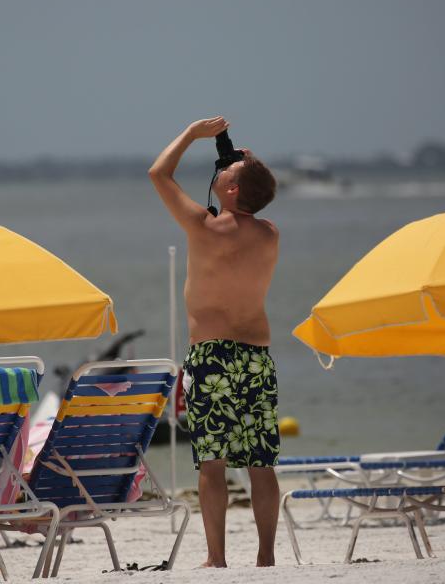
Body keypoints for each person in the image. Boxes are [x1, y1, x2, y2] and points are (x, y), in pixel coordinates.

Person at [149, 116, 280, 568]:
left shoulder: (203, 228)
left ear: (230, 192)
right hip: (257, 357)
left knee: (212, 462)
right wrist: (249, 168)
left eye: (226, 173)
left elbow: (158, 174)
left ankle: (216, 558)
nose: (221, 171)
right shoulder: (269, 235)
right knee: (261, 462)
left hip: (212, 358)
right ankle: (266, 556)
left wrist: (189, 134)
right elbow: (251, 197)